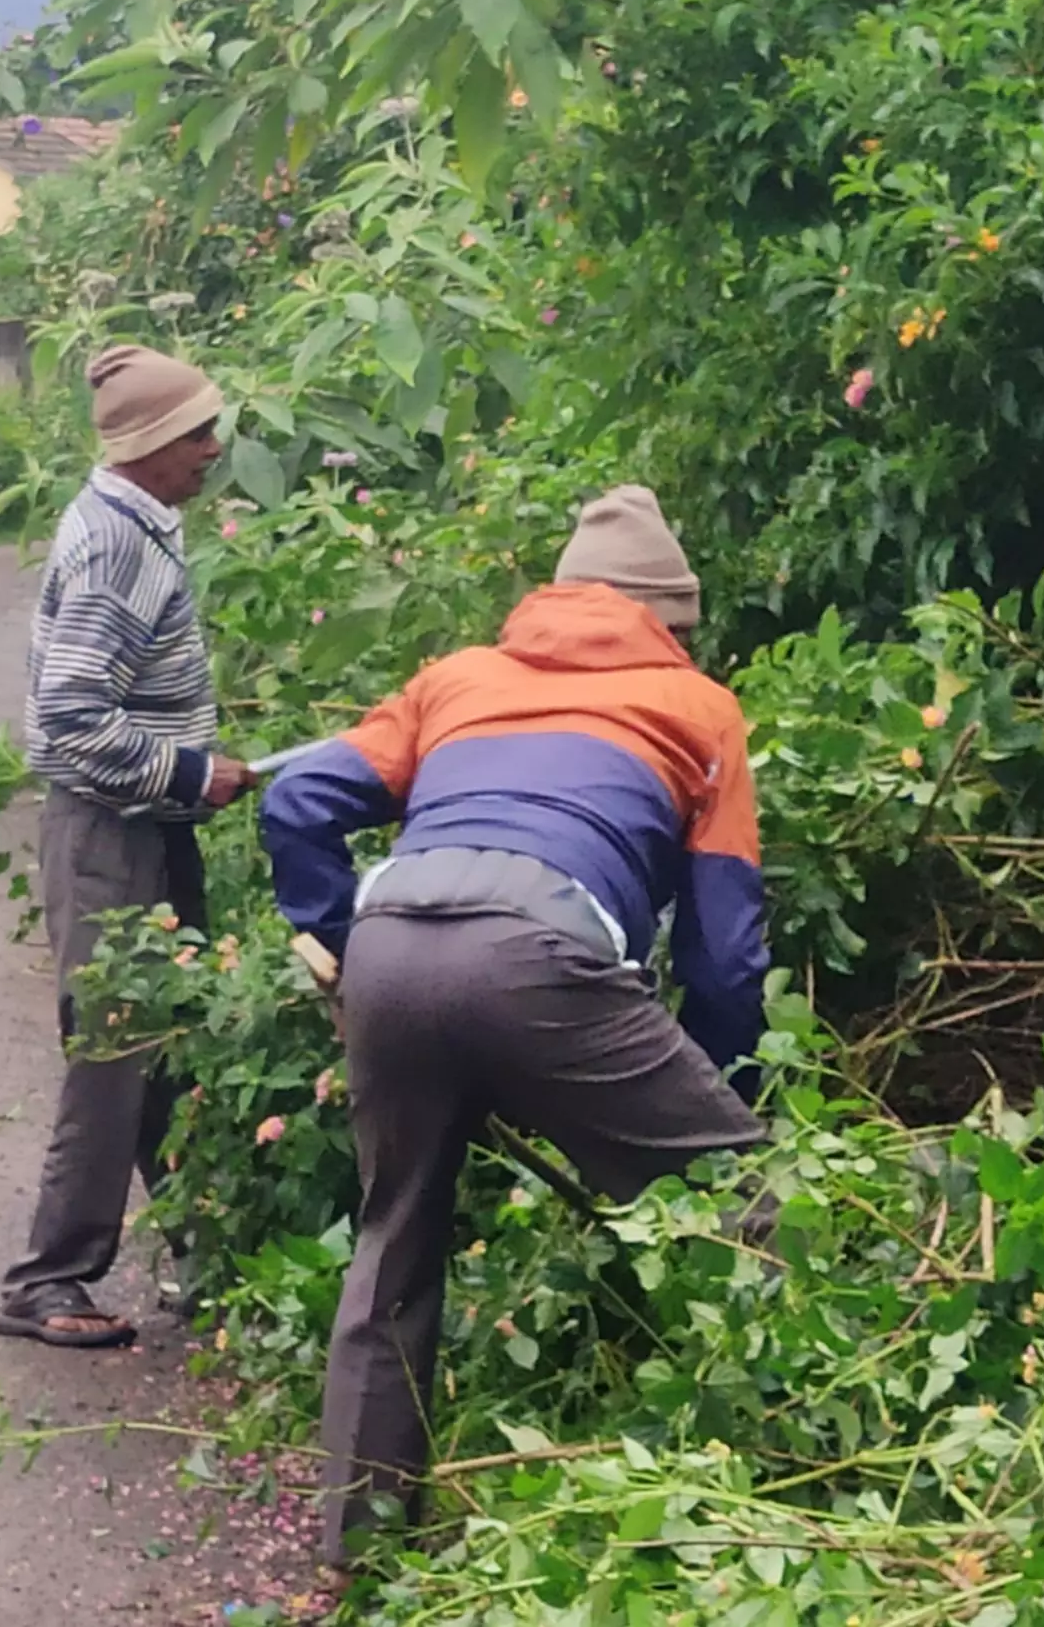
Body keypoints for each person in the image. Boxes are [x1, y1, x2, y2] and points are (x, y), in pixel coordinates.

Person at [258, 484, 775, 1554]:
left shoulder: (458, 678)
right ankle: (786, 1472)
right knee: (749, 1208)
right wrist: (721, 1096)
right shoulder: (700, 708)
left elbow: (298, 799)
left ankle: (362, 1545)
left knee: (393, 1236)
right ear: (667, 622)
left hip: (393, 943)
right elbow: (723, 956)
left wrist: (343, 956)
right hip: (540, 957)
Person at [0, 344, 256, 1351]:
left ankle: (208, 1255)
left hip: (139, 828)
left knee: (166, 1052)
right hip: (110, 833)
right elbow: (68, 714)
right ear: (149, 443)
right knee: (113, 1056)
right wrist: (192, 772)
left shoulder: (133, 523)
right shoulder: (118, 543)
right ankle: (47, 1279)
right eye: (197, 431)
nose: (212, 448)